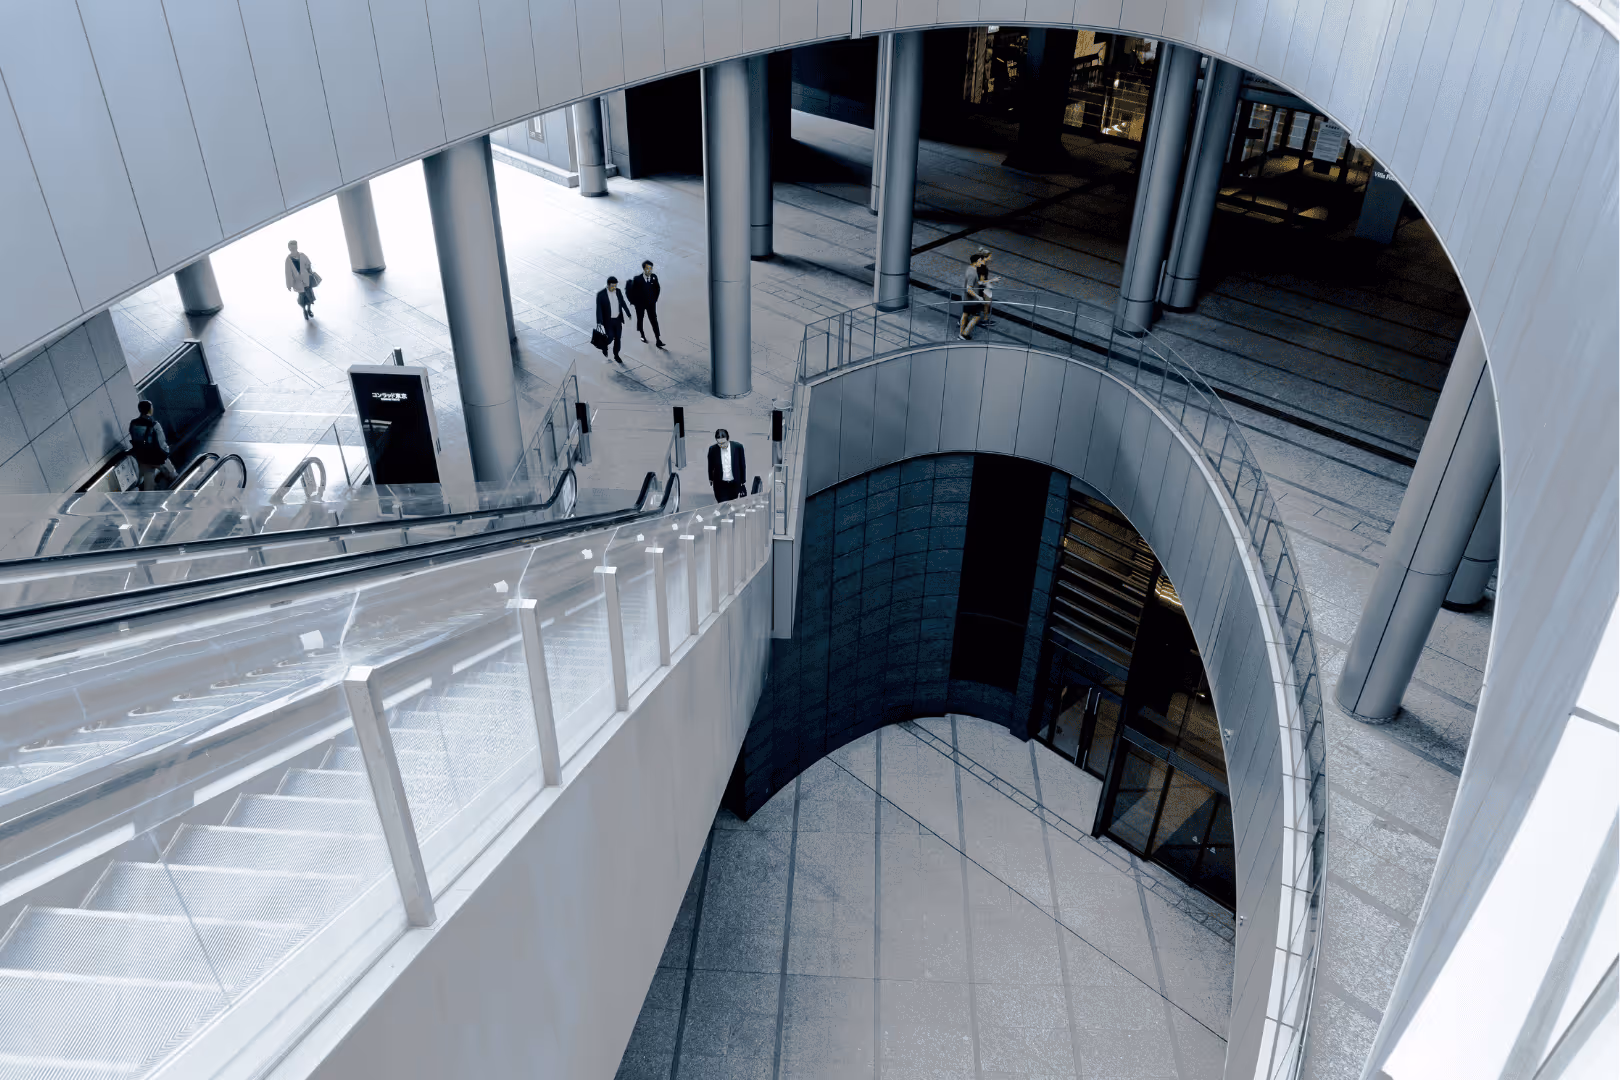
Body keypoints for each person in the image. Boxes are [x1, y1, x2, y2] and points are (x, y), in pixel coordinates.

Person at [128, 400, 177, 491]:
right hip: (157, 457)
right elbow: (161, 442)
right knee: (172, 474)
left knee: (148, 485)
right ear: (150, 410)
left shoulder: (133, 423)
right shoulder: (154, 424)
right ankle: (178, 491)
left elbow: (134, 438)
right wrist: (166, 452)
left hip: (143, 457)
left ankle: (147, 502)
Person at [625, 260, 665, 348]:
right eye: (648, 268)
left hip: (651, 303)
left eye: (651, 268)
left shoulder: (654, 277)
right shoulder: (637, 279)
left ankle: (658, 339)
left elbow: (657, 288)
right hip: (640, 304)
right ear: (644, 269)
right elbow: (631, 292)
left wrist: (655, 299)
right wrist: (634, 302)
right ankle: (642, 335)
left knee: (654, 320)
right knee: (640, 319)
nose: (650, 270)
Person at [959, 250, 997, 339]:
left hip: (967, 297)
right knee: (976, 316)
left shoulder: (970, 268)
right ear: (976, 261)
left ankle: (961, 334)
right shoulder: (973, 272)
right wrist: (978, 297)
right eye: (980, 260)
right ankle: (964, 334)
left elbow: (978, 282)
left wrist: (991, 281)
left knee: (965, 314)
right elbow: (969, 288)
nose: (981, 262)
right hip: (972, 298)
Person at [595, 276, 629, 363]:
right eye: (613, 286)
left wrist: (628, 312)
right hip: (608, 321)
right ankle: (604, 346)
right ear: (608, 285)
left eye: (615, 285)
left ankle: (616, 355)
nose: (614, 287)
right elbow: (599, 308)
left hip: (617, 320)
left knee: (618, 338)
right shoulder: (601, 295)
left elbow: (622, 302)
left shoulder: (618, 291)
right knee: (610, 337)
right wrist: (599, 321)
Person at [707, 428, 746, 503]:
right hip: (720, 484)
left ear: (728, 439)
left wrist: (743, 481)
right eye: (719, 443)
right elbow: (710, 465)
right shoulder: (713, 449)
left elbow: (742, 464)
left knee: (732, 503)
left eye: (724, 443)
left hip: (734, 483)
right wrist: (710, 478)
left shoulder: (738, 447)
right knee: (722, 505)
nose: (722, 446)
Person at [285, 240, 321, 320]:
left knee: (309, 295)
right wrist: (289, 285)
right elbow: (288, 273)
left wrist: (308, 270)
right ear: (289, 248)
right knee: (302, 297)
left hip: (306, 279)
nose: (293, 249)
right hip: (297, 282)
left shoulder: (302, 255)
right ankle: (304, 310)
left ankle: (309, 309)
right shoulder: (288, 260)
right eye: (291, 248)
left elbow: (308, 263)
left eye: (294, 247)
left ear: (297, 247)